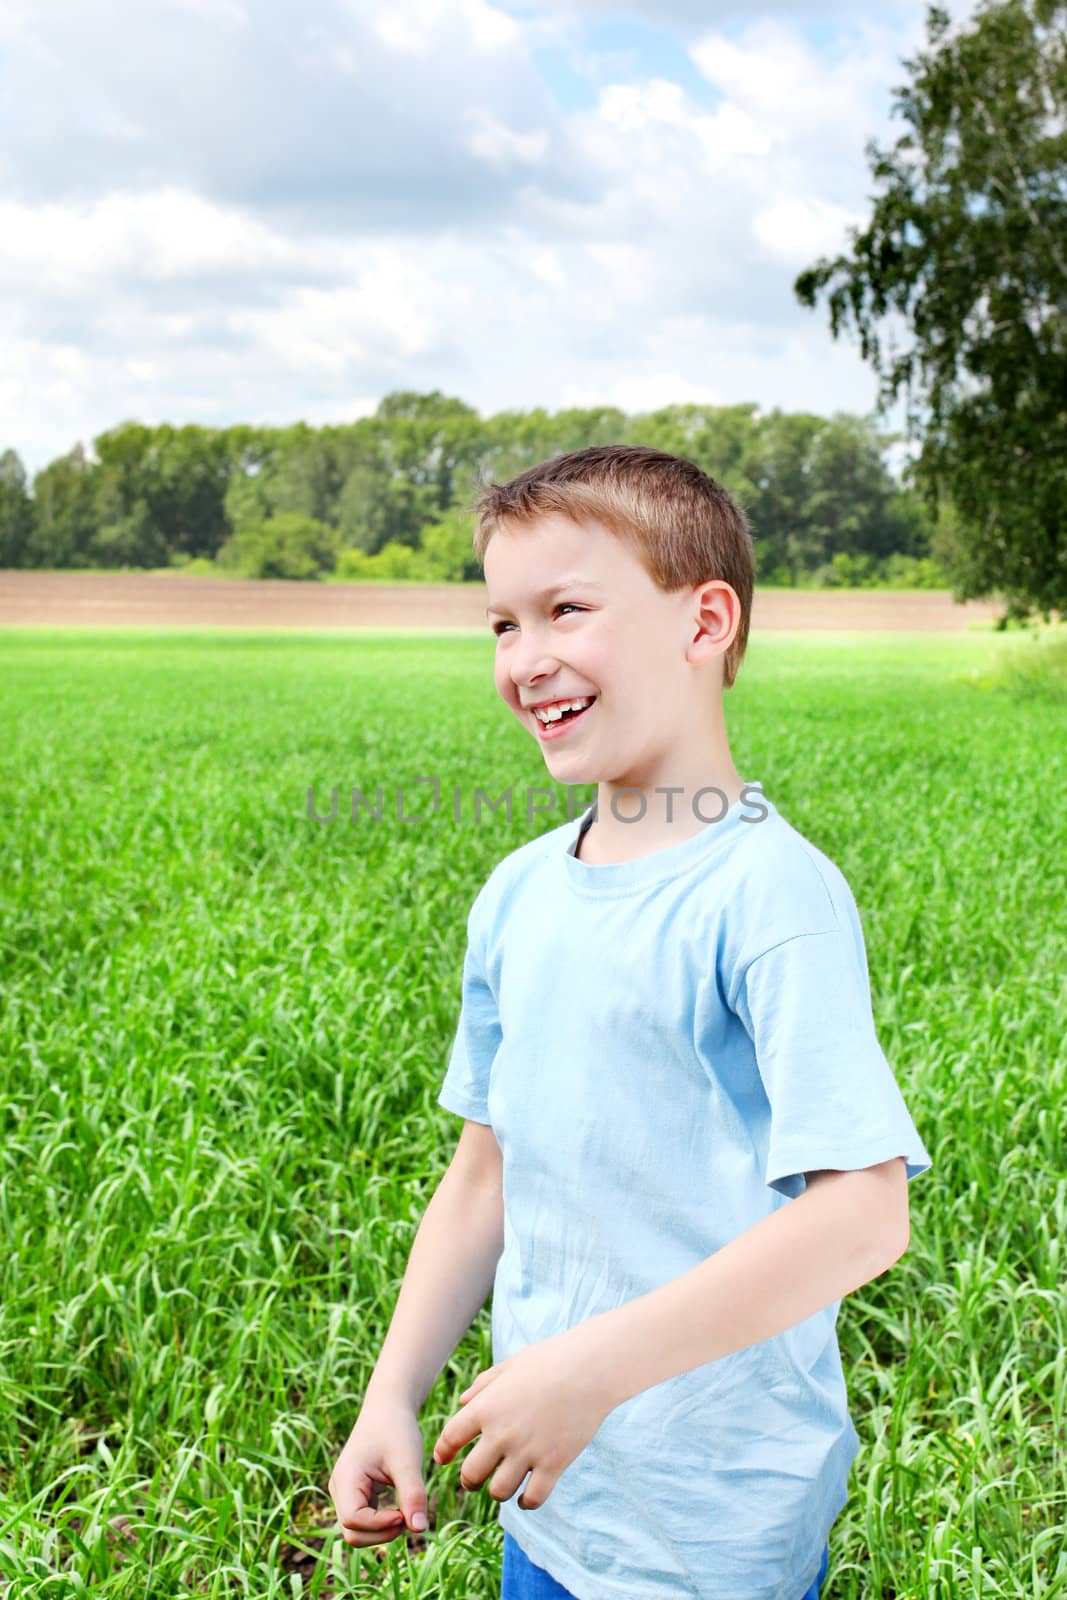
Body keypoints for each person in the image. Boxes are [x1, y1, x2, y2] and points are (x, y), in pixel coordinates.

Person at [328, 444, 933, 1600]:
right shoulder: (517, 892)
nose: (526, 659)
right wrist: (391, 1392)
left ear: (704, 622)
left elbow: (863, 1213)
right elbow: (482, 1177)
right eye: (501, 623)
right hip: (554, 1505)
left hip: (712, 1526)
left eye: (565, 609)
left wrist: (590, 1372)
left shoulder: (765, 893)